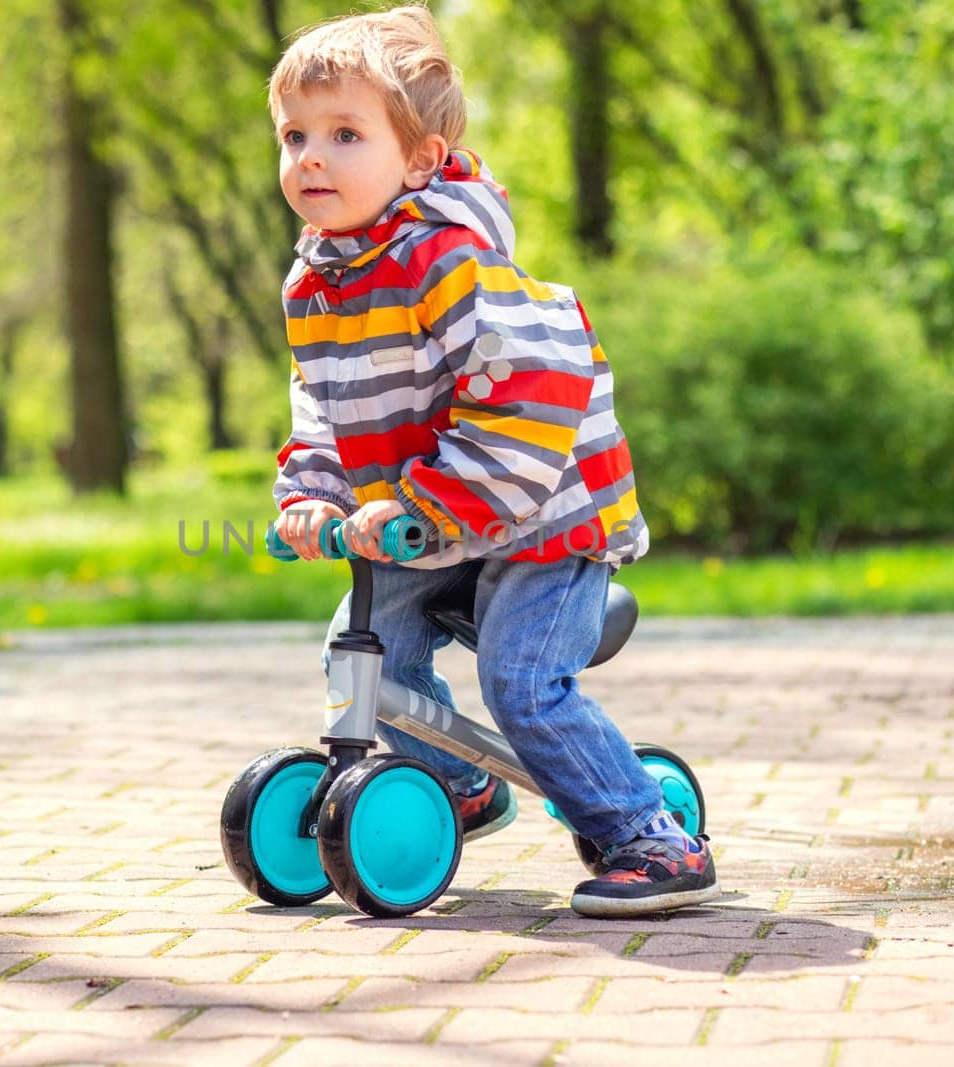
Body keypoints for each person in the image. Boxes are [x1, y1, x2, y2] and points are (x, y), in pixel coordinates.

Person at [267, 3, 718, 917]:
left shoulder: (453, 263)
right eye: (295, 135)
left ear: (421, 160)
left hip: (544, 515)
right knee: (367, 659)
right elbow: (324, 406)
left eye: (345, 134)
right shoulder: (317, 283)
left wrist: (430, 504)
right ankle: (462, 788)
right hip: (432, 517)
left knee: (521, 683)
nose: (311, 156)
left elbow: (530, 397)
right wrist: (310, 493)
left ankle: (649, 833)